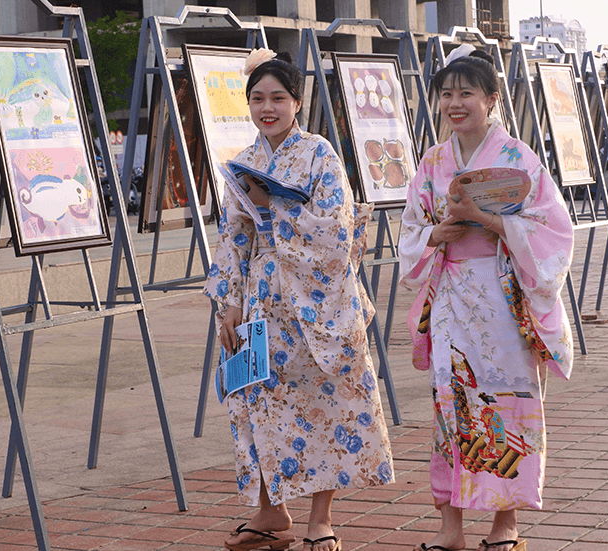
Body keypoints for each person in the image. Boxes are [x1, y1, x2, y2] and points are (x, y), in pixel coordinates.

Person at [203, 49, 393, 551]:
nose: (268, 108)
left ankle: (319, 518)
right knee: (261, 399)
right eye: (258, 98)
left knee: (321, 401)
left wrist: (274, 206)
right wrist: (229, 304)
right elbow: (233, 236)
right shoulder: (245, 162)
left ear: (298, 102)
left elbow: (337, 232)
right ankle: (271, 512)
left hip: (315, 301)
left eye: (278, 98)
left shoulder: (320, 155)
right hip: (263, 298)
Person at [398, 45, 574, 551]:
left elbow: (554, 232)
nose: (456, 103)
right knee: (451, 405)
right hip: (453, 295)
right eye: (447, 94)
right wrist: (437, 235)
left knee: (507, 402)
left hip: (502, 298)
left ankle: (505, 524)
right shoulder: (432, 161)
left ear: (492, 98)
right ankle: (449, 527)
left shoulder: (519, 158)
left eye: (467, 93)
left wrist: (492, 222)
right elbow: (411, 228)